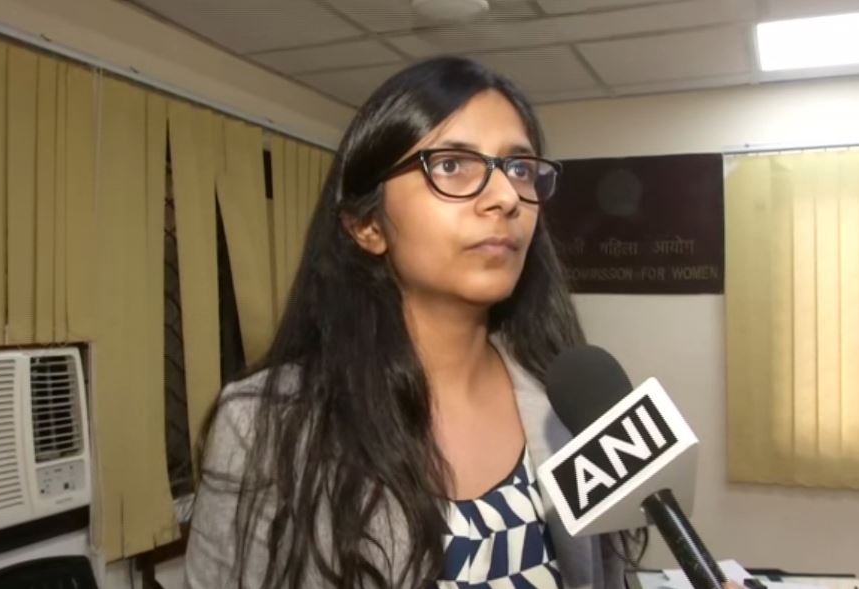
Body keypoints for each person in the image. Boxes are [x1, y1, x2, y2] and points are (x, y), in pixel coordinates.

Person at [184, 56, 639, 589]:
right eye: (450, 165)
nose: (505, 198)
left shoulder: (573, 405)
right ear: (367, 225)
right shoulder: (266, 424)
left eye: (520, 169)